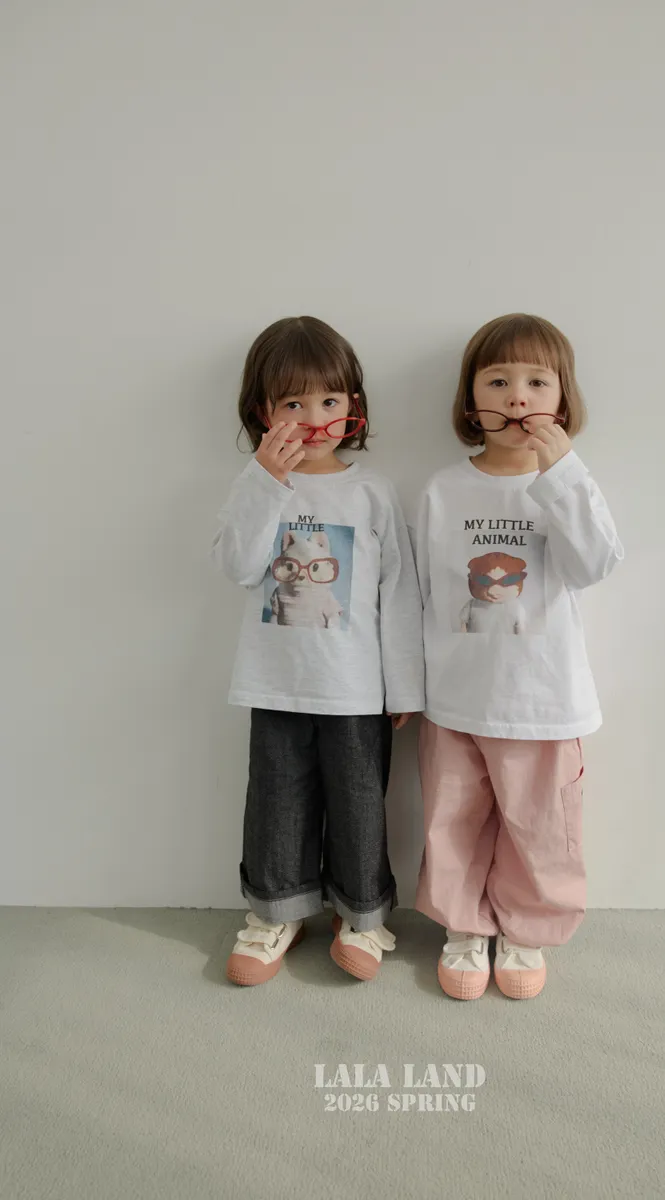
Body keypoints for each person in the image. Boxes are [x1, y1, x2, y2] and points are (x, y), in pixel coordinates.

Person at [413, 313, 623, 999]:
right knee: (452, 819)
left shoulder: (568, 485)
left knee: (542, 825)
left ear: (562, 399)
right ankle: (464, 926)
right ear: (471, 398)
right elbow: (421, 594)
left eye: (537, 382)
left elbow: (594, 565)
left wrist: (561, 472)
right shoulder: (443, 489)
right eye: (498, 381)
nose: (517, 397)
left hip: (543, 699)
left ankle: (527, 927)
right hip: (455, 696)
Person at [213, 316, 423, 985]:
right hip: (274, 682)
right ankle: (276, 912)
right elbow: (238, 566)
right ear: (263, 412)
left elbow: (400, 594)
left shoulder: (371, 491)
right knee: (277, 800)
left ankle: (362, 916)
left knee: (360, 802)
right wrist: (264, 479)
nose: (313, 419)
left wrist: (404, 687)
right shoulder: (258, 485)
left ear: (352, 407)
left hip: (356, 689)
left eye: (329, 401)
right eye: (293, 404)